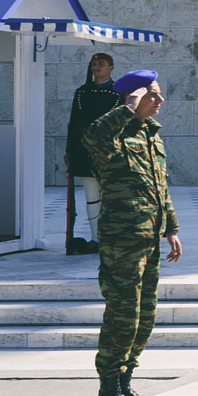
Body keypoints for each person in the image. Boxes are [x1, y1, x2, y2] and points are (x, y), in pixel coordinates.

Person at [82, 69, 182, 396]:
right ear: (134, 99)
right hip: (122, 240)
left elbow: (160, 186)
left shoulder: (151, 135)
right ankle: (108, 392)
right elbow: (91, 136)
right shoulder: (110, 135)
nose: (160, 100)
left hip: (149, 238)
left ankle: (125, 382)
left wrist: (170, 227)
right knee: (122, 317)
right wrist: (126, 107)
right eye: (152, 95)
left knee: (144, 316)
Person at [64, 51, 120, 256]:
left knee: (111, 197)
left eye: (102, 64)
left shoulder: (118, 93)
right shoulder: (82, 92)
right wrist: (69, 150)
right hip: (84, 152)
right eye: (94, 65)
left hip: (109, 152)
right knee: (92, 197)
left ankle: (111, 238)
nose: (97, 68)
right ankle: (96, 239)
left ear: (111, 68)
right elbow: (74, 123)